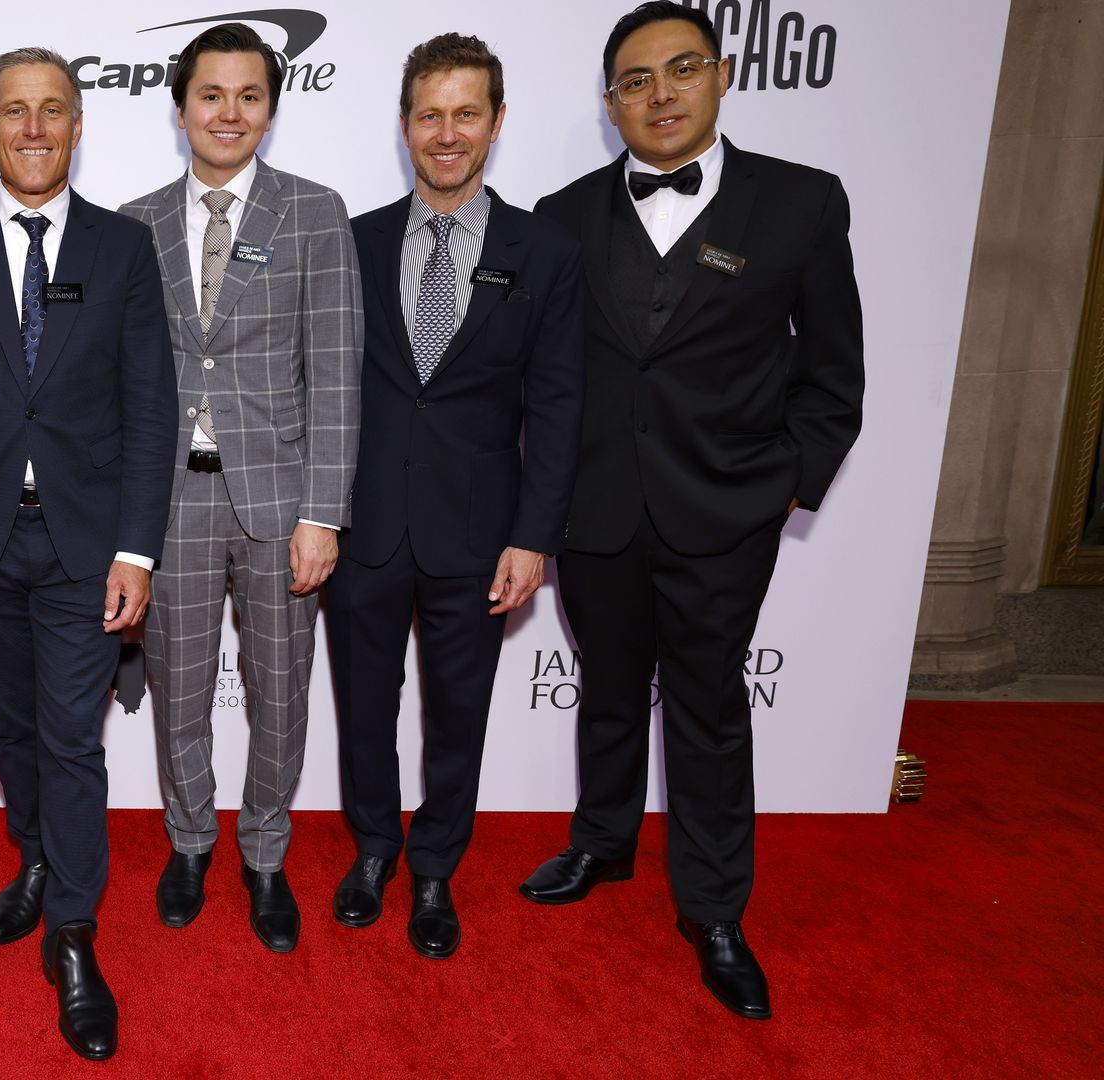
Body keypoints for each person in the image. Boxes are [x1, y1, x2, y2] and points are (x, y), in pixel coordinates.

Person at [518, 1, 864, 1021]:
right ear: (611, 102)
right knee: (611, 688)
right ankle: (602, 841)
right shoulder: (562, 215)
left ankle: (714, 908)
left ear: (721, 76)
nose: (659, 94)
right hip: (598, 509)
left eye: (679, 71)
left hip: (726, 512)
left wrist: (787, 484)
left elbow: (833, 372)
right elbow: (547, 378)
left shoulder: (800, 204)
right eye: (635, 80)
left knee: (709, 709)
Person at [0, 47, 175, 1062]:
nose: (35, 128)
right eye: (16, 110)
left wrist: (139, 549)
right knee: (12, 731)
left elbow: (152, 412)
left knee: (71, 740)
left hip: (84, 547)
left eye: (53, 109)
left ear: (78, 123)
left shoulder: (122, 247)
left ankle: (73, 939)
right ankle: (39, 860)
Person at [322, 32, 584, 960]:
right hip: (363, 529)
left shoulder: (543, 251)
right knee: (362, 705)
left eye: (465, 113)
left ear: (497, 122)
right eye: (429, 114)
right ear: (404, 127)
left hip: (481, 535)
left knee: (458, 713)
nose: (446, 132)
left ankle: (435, 867)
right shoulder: (352, 243)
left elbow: (557, 408)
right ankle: (373, 852)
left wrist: (533, 537)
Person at [117, 22, 361, 954]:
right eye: (210, 95)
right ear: (180, 108)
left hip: (280, 503)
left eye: (248, 95)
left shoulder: (315, 211)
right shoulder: (132, 222)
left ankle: (264, 852)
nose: (228, 112)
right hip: (168, 501)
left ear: (270, 108)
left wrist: (322, 513)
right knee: (179, 692)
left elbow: (335, 373)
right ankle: (189, 844)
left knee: (280, 693)